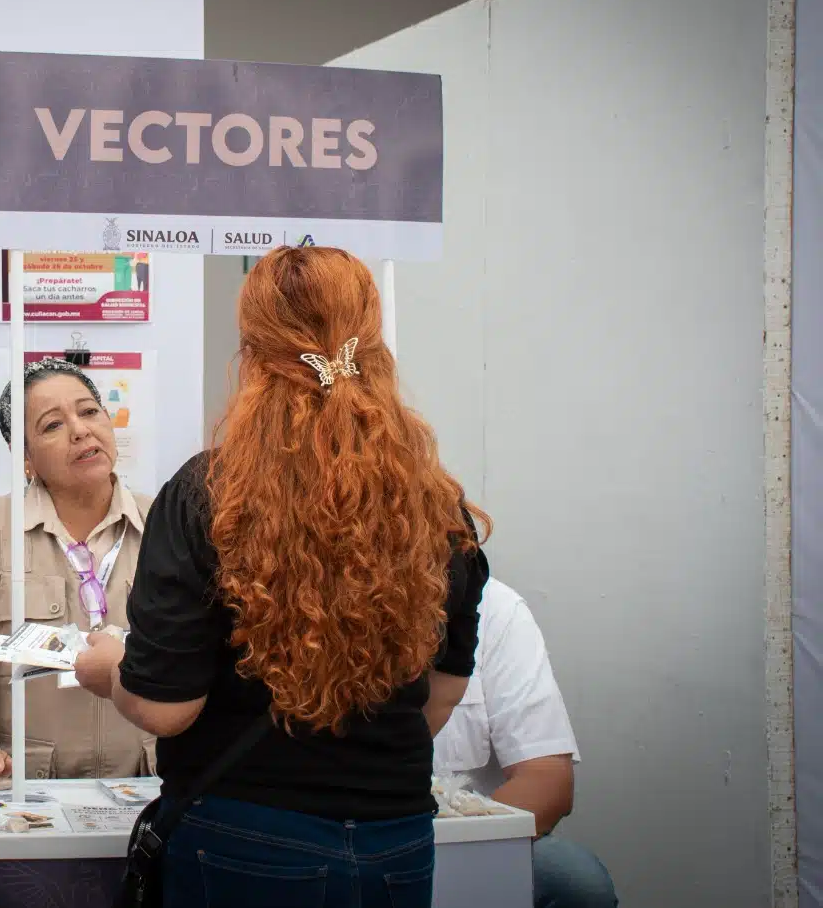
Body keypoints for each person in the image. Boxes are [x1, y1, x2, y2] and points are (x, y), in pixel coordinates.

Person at [75, 245, 490, 906]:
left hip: (242, 836)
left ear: (253, 356)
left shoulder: (208, 495)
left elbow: (164, 707)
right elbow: (440, 695)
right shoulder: (437, 507)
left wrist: (109, 672)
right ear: (373, 342)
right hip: (398, 838)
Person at [0, 357, 156, 788]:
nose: (80, 430)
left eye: (89, 411)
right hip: (27, 786)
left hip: (146, 783)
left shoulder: (165, 523)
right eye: (52, 425)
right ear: (26, 460)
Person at [435, 576, 618, 908]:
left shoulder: (491, 605)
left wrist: (445, 854)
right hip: (328, 844)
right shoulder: (313, 603)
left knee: (572, 880)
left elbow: (547, 779)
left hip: (462, 845)